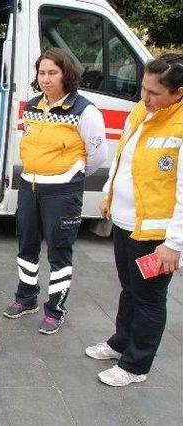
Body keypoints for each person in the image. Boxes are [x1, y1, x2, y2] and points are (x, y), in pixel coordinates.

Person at [86, 53, 183, 386]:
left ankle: (136, 366)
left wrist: (173, 243)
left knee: (149, 299)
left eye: (154, 92)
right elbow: (123, 158)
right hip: (127, 222)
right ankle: (120, 342)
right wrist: (109, 196)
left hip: (156, 232)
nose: (145, 97)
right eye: (143, 88)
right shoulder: (143, 111)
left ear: (178, 92)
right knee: (129, 289)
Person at [2, 48, 108, 335]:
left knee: (59, 251)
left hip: (62, 191)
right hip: (30, 185)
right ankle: (26, 298)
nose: (46, 79)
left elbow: (97, 156)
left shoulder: (84, 110)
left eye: (53, 73)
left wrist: (71, 174)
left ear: (66, 74)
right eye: (42, 73)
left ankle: (55, 309)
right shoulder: (33, 106)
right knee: (26, 246)